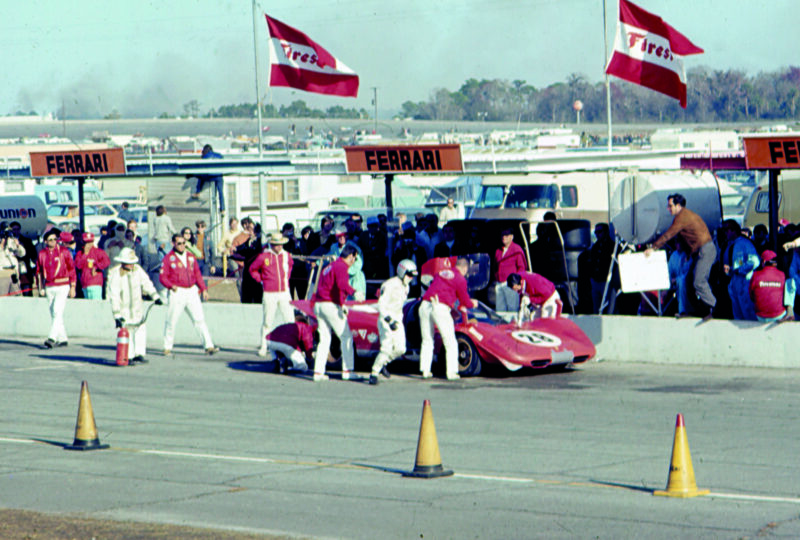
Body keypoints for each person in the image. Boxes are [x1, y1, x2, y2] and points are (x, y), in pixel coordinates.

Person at [645, 193, 717, 321]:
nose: (668, 209)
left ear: (678, 206)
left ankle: (714, 307)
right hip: (699, 252)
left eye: (670, 206)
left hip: (705, 250)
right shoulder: (684, 216)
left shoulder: (682, 216)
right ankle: (692, 311)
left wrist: (653, 247)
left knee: (698, 281)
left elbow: (669, 234)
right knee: (688, 282)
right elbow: (688, 238)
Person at [159, 233, 219, 356]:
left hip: (191, 290)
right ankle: (167, 347)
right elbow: (162, 277)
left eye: (183, 243)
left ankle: (208, 346)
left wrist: (204, 289)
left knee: (199, 319)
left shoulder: (190, 257)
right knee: (172, 320)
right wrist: (171, 285)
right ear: (173, 244)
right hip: (177, 291)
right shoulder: (168, 258)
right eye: (179, 243)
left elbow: (197, 274)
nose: (182, 246)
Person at [419, 257, 474, 380]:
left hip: (425, 305)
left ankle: (425, 370)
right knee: (450, 341)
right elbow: (465, 300)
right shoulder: (460, 279)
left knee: (427, 339)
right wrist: (472, 303)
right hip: (439, 307)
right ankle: (452, 372)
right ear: (464, 268)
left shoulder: (441, 273)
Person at [108, 247, 164, 365]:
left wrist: (155, 296)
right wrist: (116, 314)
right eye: (129, 263)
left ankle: (139, 353)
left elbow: (146, 283)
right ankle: (129, 356)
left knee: (140, 329)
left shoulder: (138, 270)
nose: (132, 265)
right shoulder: (116, 274)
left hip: (137, 307)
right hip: (124, 309)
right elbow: (114, 295)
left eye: (133, 263)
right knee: (127, 331)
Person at [311, 244, 358, 382]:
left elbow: (328, 287)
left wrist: (341, 303)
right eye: (354, 258)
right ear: (350, 256)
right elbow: (342, 285)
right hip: (329, 305)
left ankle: (318, 372)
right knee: (346, 336)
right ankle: (348, 370)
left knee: (324, 339)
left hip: (319, 304)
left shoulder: (329, 267)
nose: (353, 262)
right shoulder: (341, 267)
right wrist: (354, 292)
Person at [369, 259, 418, 385]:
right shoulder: (390, 285)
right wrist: (388, 319)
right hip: (386, 319)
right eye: (409, 275)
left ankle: (382, 363)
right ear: (402, 272)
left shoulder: (406, 286)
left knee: (401, 349)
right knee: (386, 348)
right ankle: (374, 373)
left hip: (397, 319)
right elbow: (381, 304)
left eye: (413, 276)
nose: (411, 278)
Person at [250, 233, 294, 357]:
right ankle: (264, 346)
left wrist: (286, 278)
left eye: (280, 244)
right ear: (271, 244)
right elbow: (252, 269)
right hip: (269, 293)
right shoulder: (263, 256)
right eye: (276, 244)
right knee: (267, 321)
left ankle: (291, 345)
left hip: (285, 292)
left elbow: (290, 267)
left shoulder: (287, 255)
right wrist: (262, 280)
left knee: (289, 319)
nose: (278, 247)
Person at [37, 229, 77, 348]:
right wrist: (41, 287)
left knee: (57, 310)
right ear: (45, 241)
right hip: (49, 286)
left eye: (55, 239)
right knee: (54, 313)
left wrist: (73, 286)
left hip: (63, 285)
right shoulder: (42, 254)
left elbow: (71, 269)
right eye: (51, 240)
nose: (54, 242)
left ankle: (52, 338)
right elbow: (38, 272)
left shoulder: (64, 252)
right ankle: (62, 338)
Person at [722, 220, 759, 321]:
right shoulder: (729, 246)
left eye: (727, 230)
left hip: (744, 282)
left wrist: (739, 270)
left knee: (748, 312)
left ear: (734, 230)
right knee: (737, 314)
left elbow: (754, 261)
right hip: (734, 282)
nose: (725, 233)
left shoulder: (745, 243)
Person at [749, 250, 795, 323]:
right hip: (778, 315)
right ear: (775, 262)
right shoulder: (782, 275)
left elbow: (751, 296)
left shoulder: (755, 275)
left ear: (763, 262)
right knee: (791, 282)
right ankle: (790, 310)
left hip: (760, 316)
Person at [231, 218, 263, 303]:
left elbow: (250, 251)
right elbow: (243, 247)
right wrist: (236, 249)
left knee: (257, 295)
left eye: (251, 230)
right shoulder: (249, 240)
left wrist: (239, 250)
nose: (249, 231)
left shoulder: (260, 242)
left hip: (257, 272)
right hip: (248, 270)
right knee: (246, 294)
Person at [494, 228, 527, 311]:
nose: (504, 237)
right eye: (502, 235)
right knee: (499, 309)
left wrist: (516, 282)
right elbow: (495, 266)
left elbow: (521, 267)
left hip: (511, 284)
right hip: (499, 283)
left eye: (506, 235)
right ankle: (501, 324)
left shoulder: (517, 249)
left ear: (512, 237)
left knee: (512, 308)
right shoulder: (498, 250)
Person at [74, 232, 110, 300]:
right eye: (86, 242)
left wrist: (97, 267)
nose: (88, 244)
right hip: (85, 283)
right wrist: (85, 255)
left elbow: (106, 262)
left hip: (95, 282)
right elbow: (78, 265)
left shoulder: (98, 252)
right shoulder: (80, 253)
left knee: (96, 303)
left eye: (90, 242)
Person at [191, 144, 225, 214]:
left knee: (200, 176)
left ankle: (197, 192)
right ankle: (222, 209)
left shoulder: (205, 156)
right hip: (219, 176)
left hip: (210, 176)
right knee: (221, 192)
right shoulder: (219, 155)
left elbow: (202, 166)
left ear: (205, 150)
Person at [9, 221, 37, 296]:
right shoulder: (6, 242)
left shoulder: (27, 241)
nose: (16, 231)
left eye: (17, 229)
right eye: (14, 229)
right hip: (12, 272)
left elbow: (33, 256)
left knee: (27, 294)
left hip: (25, 271)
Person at [0, 226, 26, 296]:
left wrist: (17, 245)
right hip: (3, 273)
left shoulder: (12, 241)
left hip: (14, 272)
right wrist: (2, 244)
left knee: (16, 296)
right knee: (3, 297)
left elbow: (22, 254)